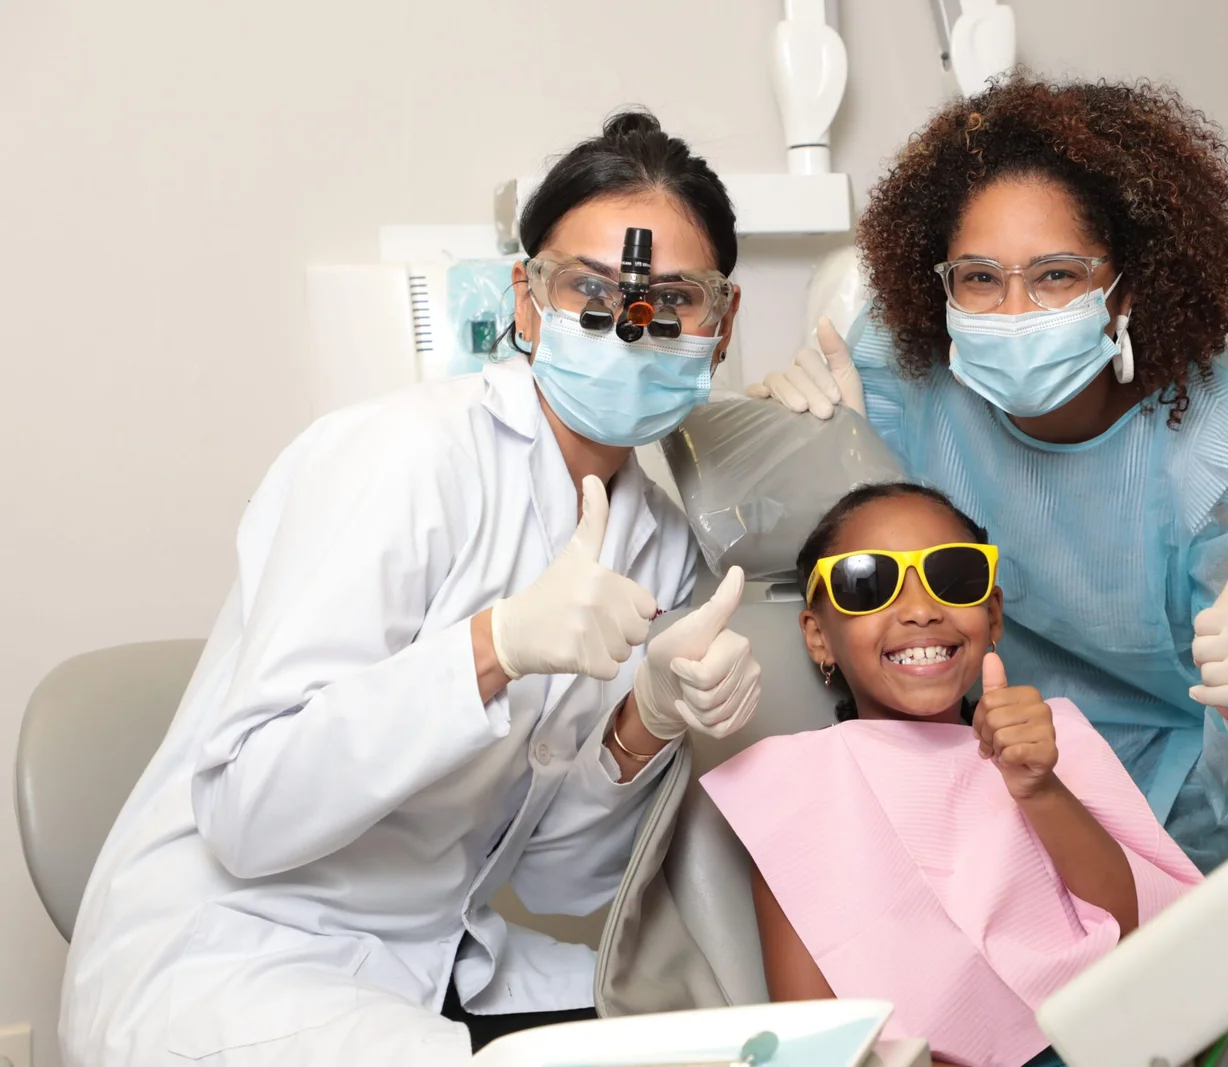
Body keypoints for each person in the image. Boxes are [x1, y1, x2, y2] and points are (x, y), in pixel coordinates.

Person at [61, 111, 762, 1067]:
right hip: (239, 954)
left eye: (672, 299)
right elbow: (247, 813)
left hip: (430, 959)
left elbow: (559, 880)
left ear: (721, 326)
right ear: (526, 300)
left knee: (717, 1045)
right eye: (589, 288)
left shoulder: (661, 544)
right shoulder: (397, 460)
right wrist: (495, 646)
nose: (631, 326)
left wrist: (648, 714)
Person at [750, 75, 1228, 872]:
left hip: (1191, 807)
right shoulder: (901, 363)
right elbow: (814, 545)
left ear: (1128, 289)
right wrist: (784, 439)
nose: (1014, 311)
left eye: (1057, 275)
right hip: (988, 770)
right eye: (980, 278)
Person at [701, 483, 1201, 1067]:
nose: (920, 609)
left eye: (955, 577)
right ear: (818, 636)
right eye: (869, 583)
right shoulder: (796, 793)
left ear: (992, 616)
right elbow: (815, 1041)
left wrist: (1040, 789)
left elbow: (1143, 935)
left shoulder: (1052, 742)